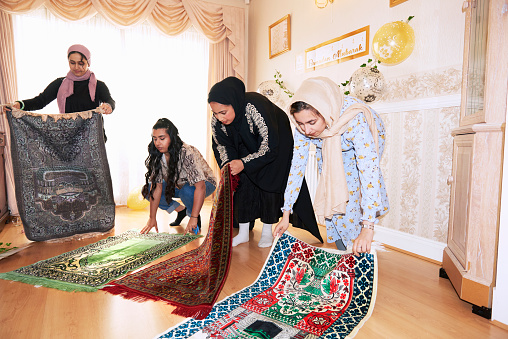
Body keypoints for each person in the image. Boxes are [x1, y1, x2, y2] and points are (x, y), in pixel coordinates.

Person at [273, 76, 389, 256]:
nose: (307, 131)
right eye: (301, 124)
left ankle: (358, 252)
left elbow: (369, 173)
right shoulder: (304, 127)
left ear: (325, 112)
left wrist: (368, 226)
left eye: (312, 122)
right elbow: (297, 167)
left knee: (353, 197)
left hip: (361, 140)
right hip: (330, 144)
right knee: (333, 193)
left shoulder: (356, 119)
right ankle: (345, 252)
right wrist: (286, 213)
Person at [208, 76, 322, 248]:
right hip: (246, 147)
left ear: (234, 102)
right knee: (243, 185)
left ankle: (268, 232)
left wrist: (244, 163)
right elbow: (221, 146)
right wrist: (231, 165)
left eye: (223, 112)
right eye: (215, 113)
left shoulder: (255, 106)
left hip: (275, 146)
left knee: (269, 185)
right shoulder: (217, 120)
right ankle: (244, 233)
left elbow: (269, 145)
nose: (219, 117)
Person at [4, 44, 115, 139]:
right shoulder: (60, 83)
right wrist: (19, 104)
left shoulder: (98, 85)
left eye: (81, 63)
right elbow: (40, 101)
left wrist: (108, 106)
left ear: (88, 63)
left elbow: (110, 101)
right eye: (72, 63)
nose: (76, 67)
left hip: (93, 138)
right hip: (68, 137)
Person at [140, 118, 216, 235]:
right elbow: (157, 187)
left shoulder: (186, 152)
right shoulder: (157, 153)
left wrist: (194, 217)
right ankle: (181, 210)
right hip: (178, 185)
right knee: (147, 190)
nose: (158, 143)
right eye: (155, 139)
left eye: (162, 138)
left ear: (172, 137)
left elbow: (200, 187)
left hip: (206, 183)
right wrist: (152, 218)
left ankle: (194, 215)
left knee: (186, 191)